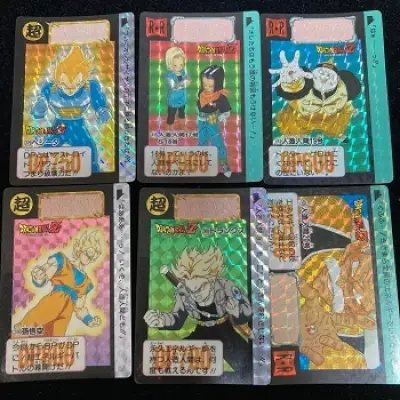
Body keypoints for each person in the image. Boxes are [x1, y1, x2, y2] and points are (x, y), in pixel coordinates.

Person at [31, 46, 111, 172]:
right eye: (64, 84)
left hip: (78, 126)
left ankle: (94, 174)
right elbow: (37, 112)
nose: (70, 89)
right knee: (47, 152)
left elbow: (98, 102)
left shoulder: (90, 87)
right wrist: (39, 108)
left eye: (77, 84)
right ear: (57, 80)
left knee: (89, 151)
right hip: (59, 126)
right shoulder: (50, 89)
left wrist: (102, 110)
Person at [14, 231, 103, 336]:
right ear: (80, 248)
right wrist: (38, 277)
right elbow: (44, 277)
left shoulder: (86, 282)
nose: (89, 257)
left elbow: (79, 306)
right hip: (51, 303)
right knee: (27, 328)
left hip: (65, 315)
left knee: (55, 339)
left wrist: (89, 320)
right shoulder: (63, 262)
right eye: (89, 252)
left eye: (93, 256)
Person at [197, 65, 232, 177]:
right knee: (202, 141)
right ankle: (203, 162)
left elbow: (227, 111)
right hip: (201, 121)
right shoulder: (201, 93)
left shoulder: (220, 97)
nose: (206, 87)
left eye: (210, 86)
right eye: (204, 84)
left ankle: (224, 164)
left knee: (217, 142)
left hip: (212, 121)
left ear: (217, 84)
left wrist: (221, 117)